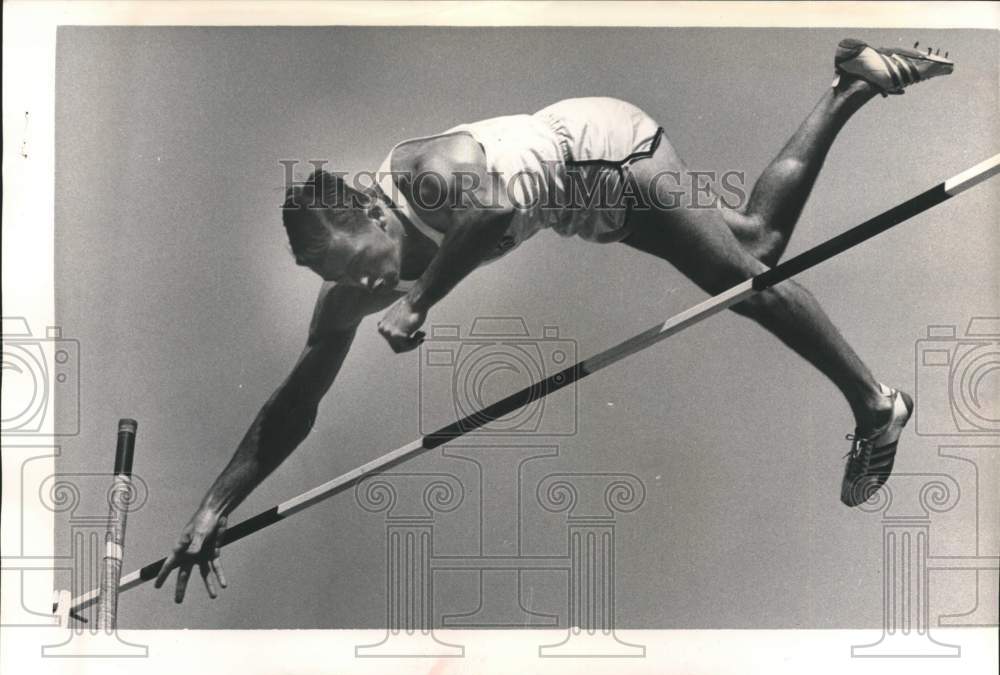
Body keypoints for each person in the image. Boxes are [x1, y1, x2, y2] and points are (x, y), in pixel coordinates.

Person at [155, 39, 954, 602]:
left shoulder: (425, 177)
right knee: (755, 242)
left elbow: (493, 207)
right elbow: (293, 405)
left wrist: (418, 300)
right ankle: (854, 82)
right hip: (574, 204)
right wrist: (212, 509)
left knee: (742, 278)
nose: (357, 280)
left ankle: (875, 407)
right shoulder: (353, 292)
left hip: (595, 148)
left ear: (367, 206)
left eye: (352, 258)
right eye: (337, 278)